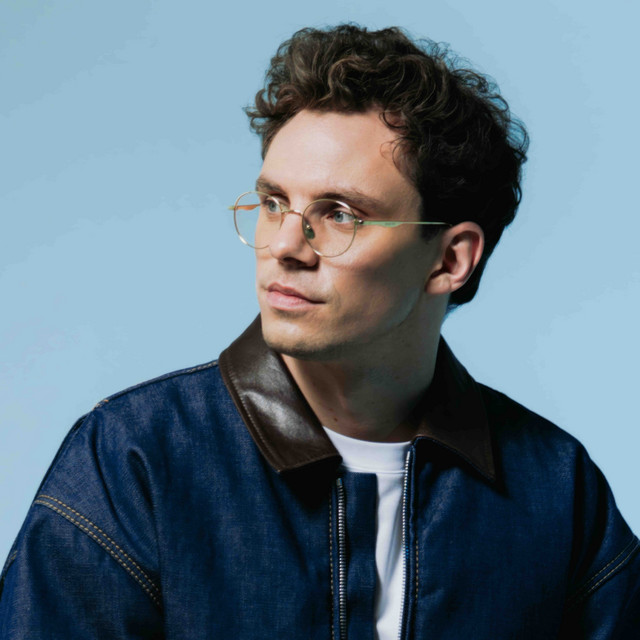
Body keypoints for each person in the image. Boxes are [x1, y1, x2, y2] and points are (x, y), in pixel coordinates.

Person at [0, 23, 638, 639]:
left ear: (449, 259)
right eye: (274, 203)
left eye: (339, 214)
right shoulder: (133, 459)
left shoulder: (557, 488)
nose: (283, 245)